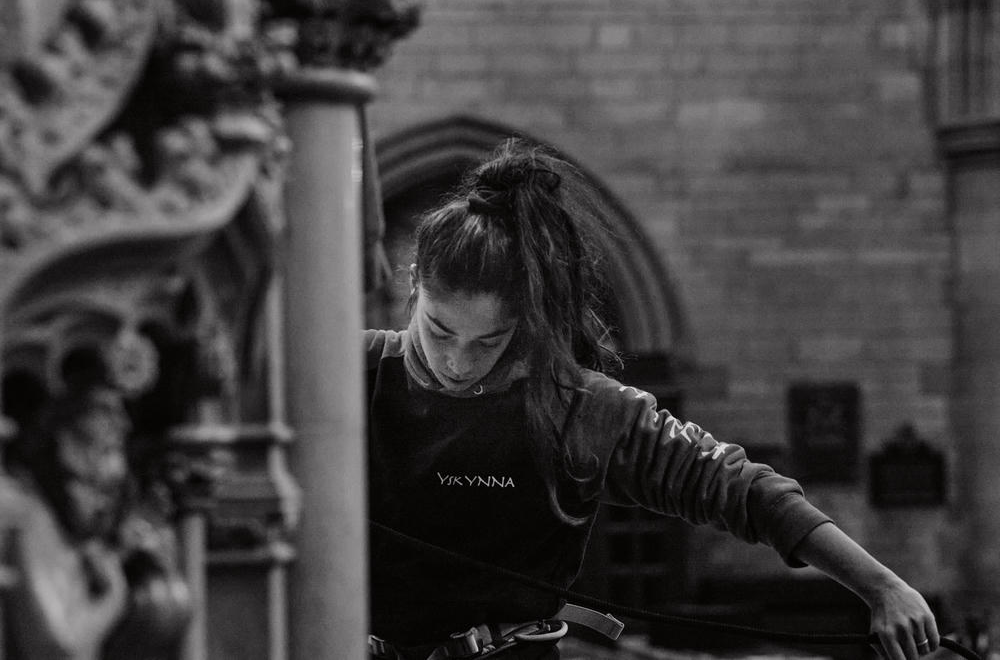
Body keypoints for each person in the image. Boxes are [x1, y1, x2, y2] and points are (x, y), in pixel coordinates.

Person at [364, 138, 939, 660]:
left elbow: (745, 490)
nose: (458, 362)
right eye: (439, 332)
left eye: (489, 340)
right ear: (413, 288)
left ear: (526, 322)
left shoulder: (577, 408)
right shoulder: (353, 373)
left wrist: (881, 586)